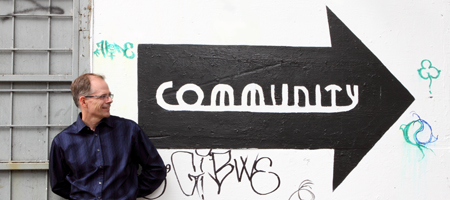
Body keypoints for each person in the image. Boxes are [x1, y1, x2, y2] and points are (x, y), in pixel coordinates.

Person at [49, 73, 166, 200]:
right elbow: (59, 185)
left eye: (109, 95)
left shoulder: (129, 130)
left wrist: (130, 192)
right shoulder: (62, 141)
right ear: (84, 101)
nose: (110, 100)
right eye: (103, 96)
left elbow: (155, 169)